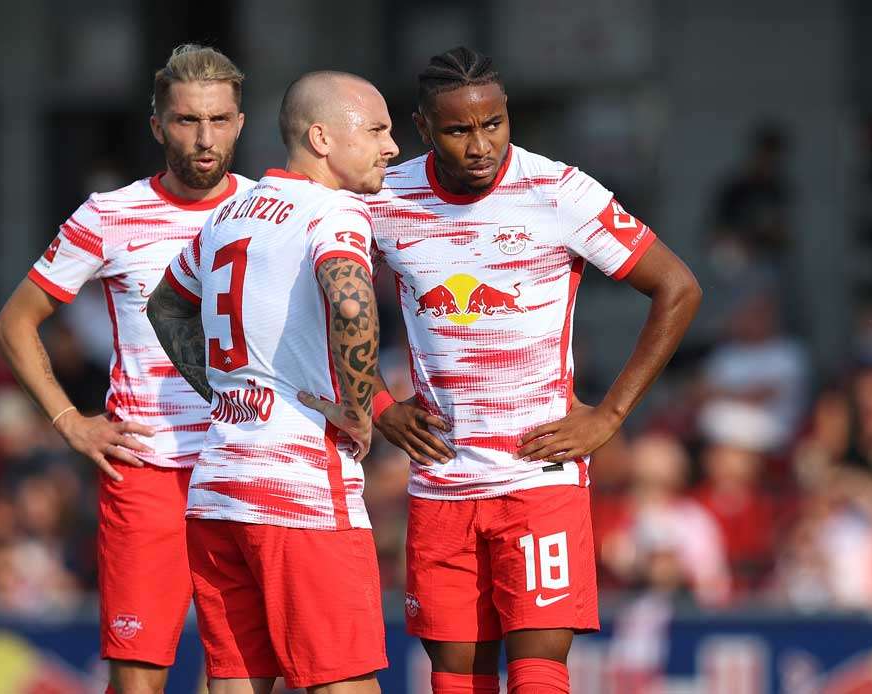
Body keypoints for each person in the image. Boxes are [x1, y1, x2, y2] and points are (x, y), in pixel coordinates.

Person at [366, 47, 703, 694]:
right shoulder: (385, 197)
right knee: (455, 676)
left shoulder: (559, 190)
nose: (480, 144)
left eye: (493, 123)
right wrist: (381, 406)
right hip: (442, 476)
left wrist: (610, 415)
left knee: (539, 670)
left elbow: (678, 288)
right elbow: (323, 294)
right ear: (422, 127)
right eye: (459, 130)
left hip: (539, 470)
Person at [0, 44, 253, 694]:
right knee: (139, 678)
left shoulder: (271, 213)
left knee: (243, 674)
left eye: (219, 120)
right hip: (148, 475)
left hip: (247, 466)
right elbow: (14, 322)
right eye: (188, 120)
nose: (204, 137)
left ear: (240, 123)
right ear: (158, 124)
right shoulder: (108, 214)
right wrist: (69, 422)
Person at [146, 70, 397, 694]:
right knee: (342, 680)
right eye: (377, 130)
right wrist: (358, 407)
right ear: (321, 138)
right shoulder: (335, 209)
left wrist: (227, 392)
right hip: (300, 485)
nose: (391, 147)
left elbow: (165, 305)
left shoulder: (229, 213)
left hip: (220, 479)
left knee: (235, 680)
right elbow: (349, 303)